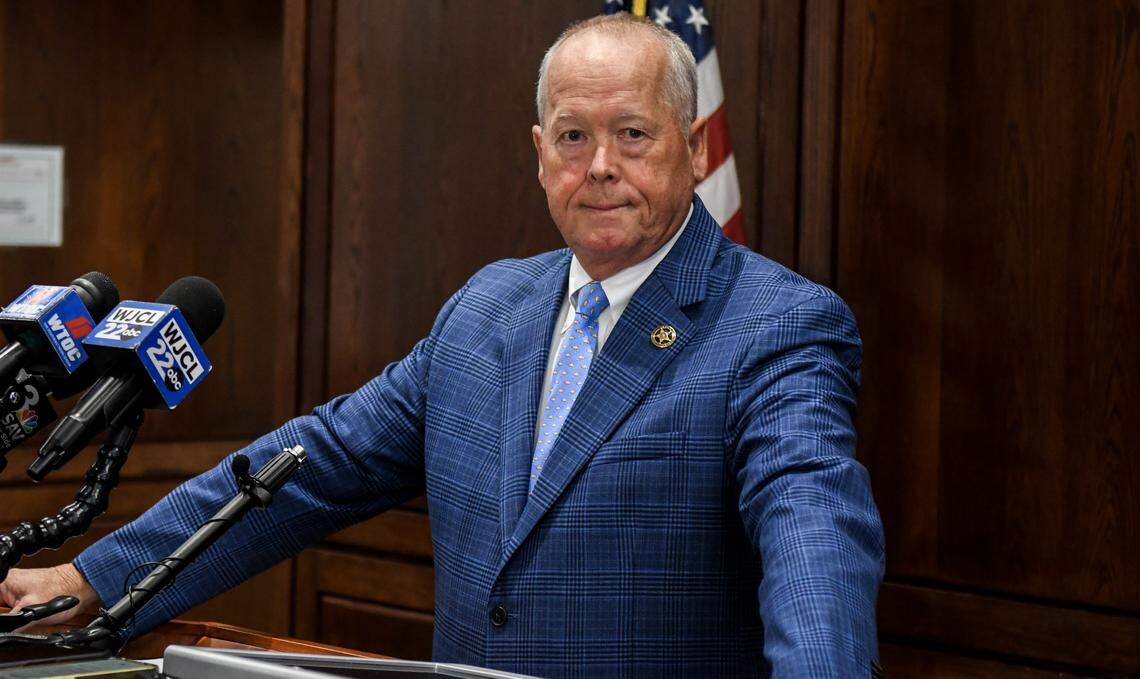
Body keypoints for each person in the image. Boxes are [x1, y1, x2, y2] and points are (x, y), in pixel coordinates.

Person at [0, 14, 884, 678]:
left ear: (693, 151)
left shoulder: (778, 327)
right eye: (575, 136)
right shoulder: (488, 307)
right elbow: (312, 466)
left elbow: (817, 555)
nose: (601, 165)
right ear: (541, 156)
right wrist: (98, 572)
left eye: (634, 134)